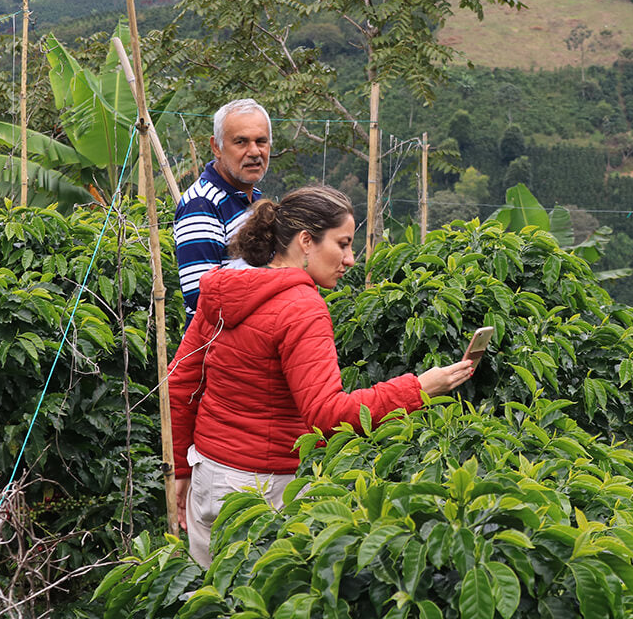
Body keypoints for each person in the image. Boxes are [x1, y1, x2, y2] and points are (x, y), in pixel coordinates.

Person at [168, 184, 473, 567]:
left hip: (209, 476)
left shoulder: (223, 289)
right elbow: (328, 415)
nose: (350, 258)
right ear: (306, 241)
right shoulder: (301, 306)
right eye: (343, 244)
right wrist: (420, 388)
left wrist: (181, 468)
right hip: (264, 490)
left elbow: (180, 382)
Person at [174, 99, 273, 323]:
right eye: (241, 142)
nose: (254, 151)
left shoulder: (254, 199)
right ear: (216, 147)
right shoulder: (202, 204)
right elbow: (200, 297)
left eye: (261, 141)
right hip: (217, 351)